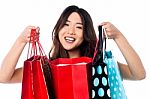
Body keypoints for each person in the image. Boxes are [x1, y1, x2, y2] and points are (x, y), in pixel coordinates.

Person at [0, 5, 146, 83]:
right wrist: (21, 41)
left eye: (79, 27)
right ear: (58, 29)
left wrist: (118, 36)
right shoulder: (46, 68)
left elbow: (138, 74)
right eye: (66, 24)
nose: (70, 31)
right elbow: (4, 77)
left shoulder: (98, 66)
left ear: (86, 33)